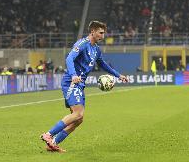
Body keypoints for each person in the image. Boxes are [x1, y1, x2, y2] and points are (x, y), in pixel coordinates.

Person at [40, 21, 128, 152]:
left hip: (80, 85)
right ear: (92, 31)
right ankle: (48, 134)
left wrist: (117, 75)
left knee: (78, 120)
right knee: (78, 114)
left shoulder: (96, 49)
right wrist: (74, 75)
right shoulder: (82, 44)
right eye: (100, 32)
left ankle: (53, 143)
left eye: (104, 33)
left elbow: (102, 64)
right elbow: (69, 58)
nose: (103, 35)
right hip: (72, 81)